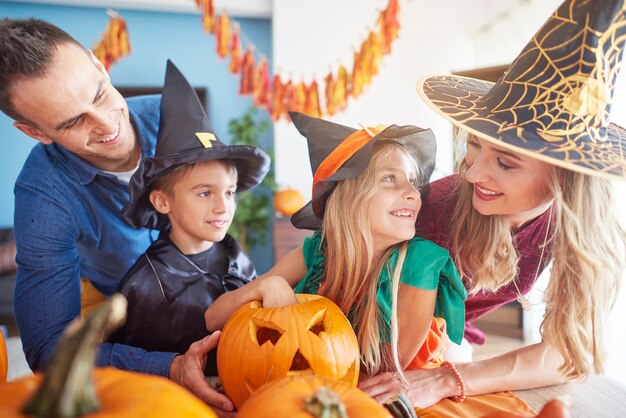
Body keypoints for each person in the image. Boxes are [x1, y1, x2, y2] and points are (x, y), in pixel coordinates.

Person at [358, 0, 626, 407]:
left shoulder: (572, 225)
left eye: (504, 162)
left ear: (564, 176)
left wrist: (449, 378)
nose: (472, 173)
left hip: (443, 354)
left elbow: (569, 354)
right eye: (474, 146)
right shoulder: (435, 210)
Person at [0, 18, 235, 414]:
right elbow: (48, 348)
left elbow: (217, 207)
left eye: (99, 94)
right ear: (35, 132)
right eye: (73, 121)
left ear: (99, 65)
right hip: (113, 298)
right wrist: (169, 367)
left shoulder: (177, 119)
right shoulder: (42, 196)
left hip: (200, 281)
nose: (108, 124)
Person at [205, 112, 467, 375]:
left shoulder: (420, 262)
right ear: (350, 197)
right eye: (389, 179)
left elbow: (384, 374)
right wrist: (267, 283)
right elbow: (213, 318)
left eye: (413, 181)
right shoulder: (318, 254)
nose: (413, 193)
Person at [110, 60, 270, 377]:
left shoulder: (235, 257)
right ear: (162, 201)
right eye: (204, 193)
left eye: (230, 192)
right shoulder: (143, 285)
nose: (224, 207)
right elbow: (129, 373)